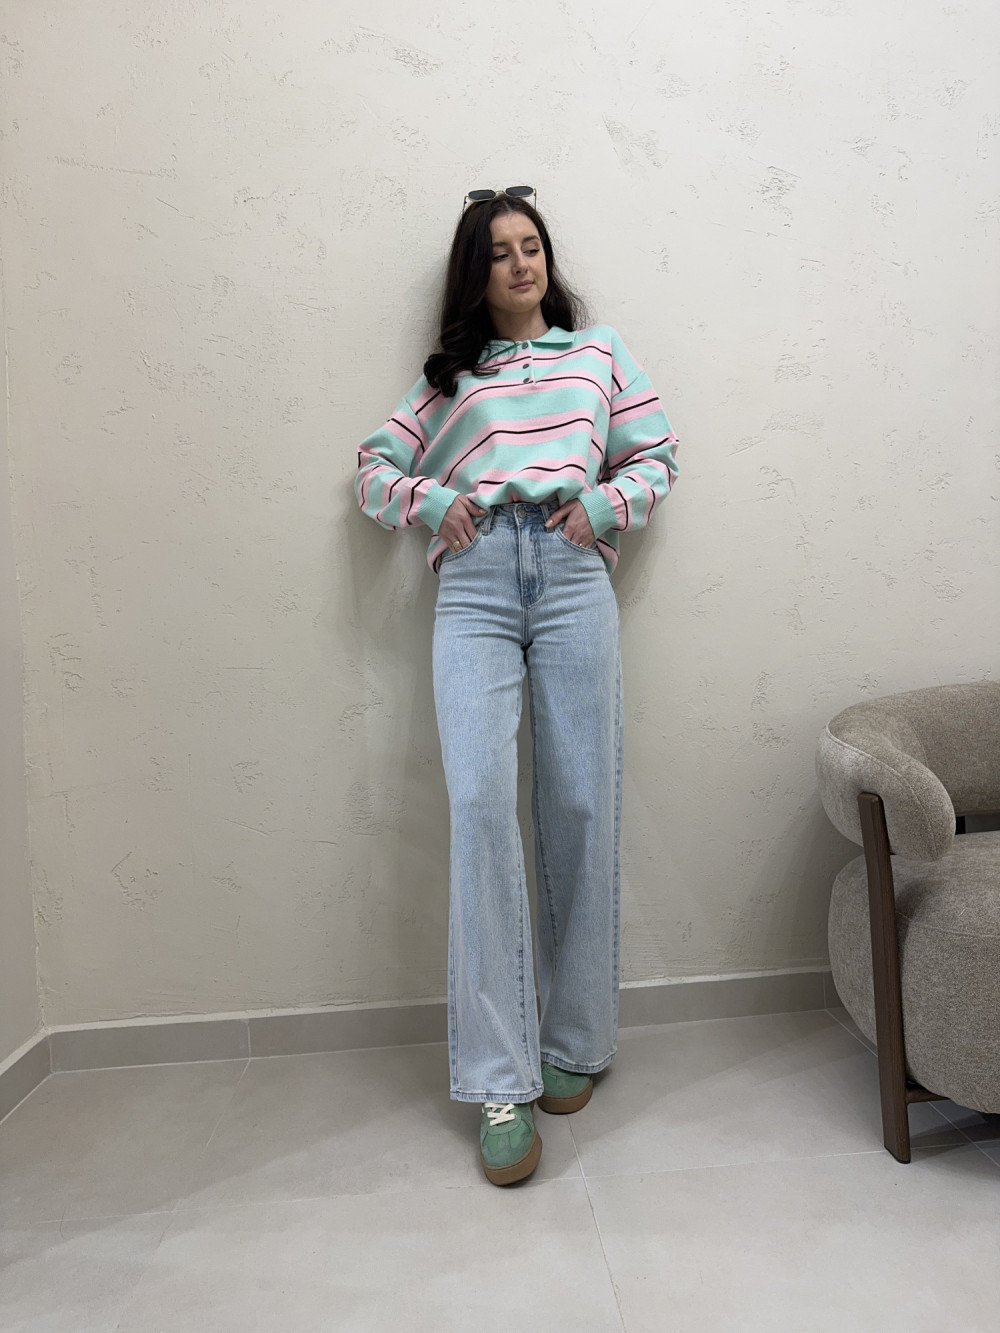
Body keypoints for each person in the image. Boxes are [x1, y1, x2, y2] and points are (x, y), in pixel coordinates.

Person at [355, 186, 679, 1185]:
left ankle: (575, 1039)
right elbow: (372, 469)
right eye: (498, 252)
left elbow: (658, 453)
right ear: (476, 272)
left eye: (530, 245)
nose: (520, 263)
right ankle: (500, 1077)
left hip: (574, 574)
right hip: (477, 584)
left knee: (580, 801)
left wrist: (605, 505)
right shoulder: (451, 380)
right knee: (482, 810)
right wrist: (430, 502)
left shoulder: (599, 354)